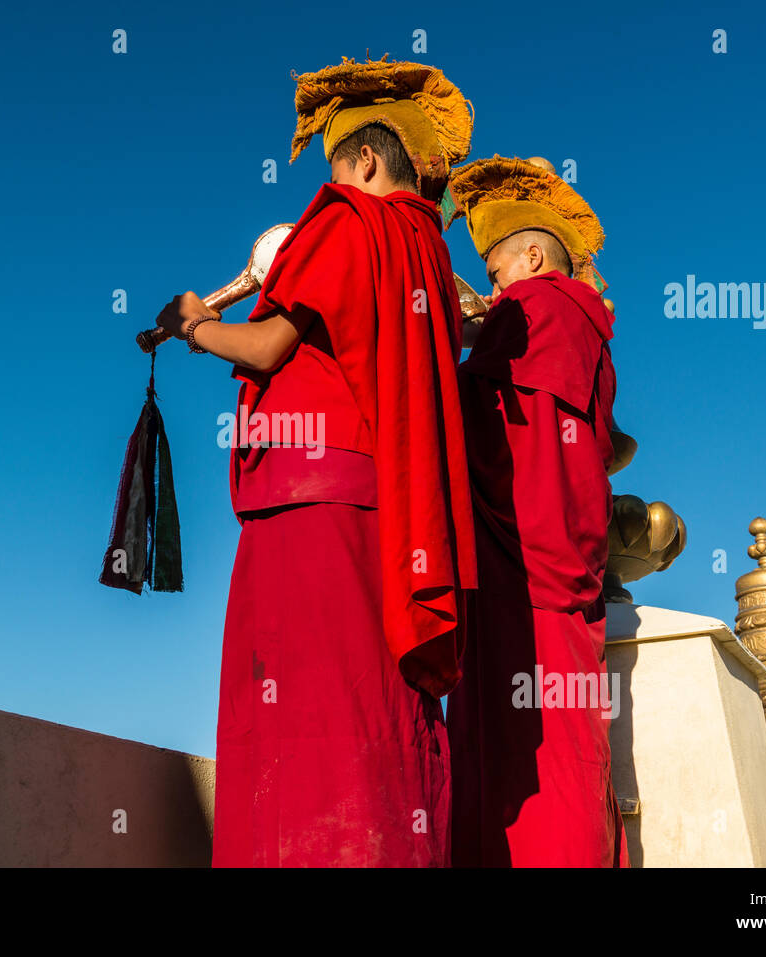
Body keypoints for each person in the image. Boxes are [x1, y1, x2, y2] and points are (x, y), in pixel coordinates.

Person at [153, 56, 477, 866]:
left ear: (363, 161)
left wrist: (193, 325)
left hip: (310, 503)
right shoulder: (429, 251)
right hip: (389, 510)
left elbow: (265, 347)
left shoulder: (345, 219)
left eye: (336, 164)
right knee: (377, 709)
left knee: (305, 716)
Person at [443, 155, 628, 867]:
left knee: (513, 767)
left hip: (518, 571)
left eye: (493, 274)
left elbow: (486, 428)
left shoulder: (533, 307)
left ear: (529, 254)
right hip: (573, 576)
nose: (493, 294)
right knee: (571, 759)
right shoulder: (591, 328)